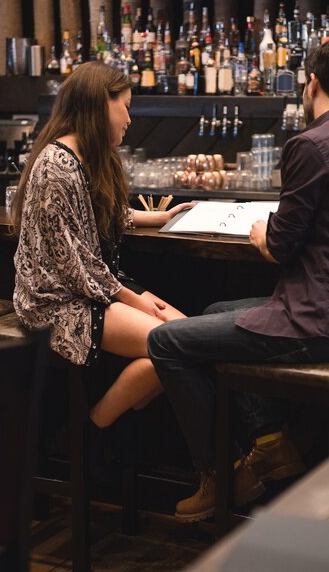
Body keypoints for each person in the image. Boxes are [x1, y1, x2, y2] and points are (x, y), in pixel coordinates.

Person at [148, 37, 329, 522]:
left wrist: (262, 229)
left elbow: (280, 246)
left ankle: (219, 474)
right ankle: (270, 444)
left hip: (312, 323)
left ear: (312, 83)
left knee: (165, 342)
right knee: (216, 315)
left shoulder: (310, 143)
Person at [12, 62, 193, 478]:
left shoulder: (86, 157)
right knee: (175, 344)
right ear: (99, 105)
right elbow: (77, 267)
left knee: (187, 339)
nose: (130, 119)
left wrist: (159, 218)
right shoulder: (55, 166)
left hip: (91, 292)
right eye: (124, 108)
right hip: (55, 303)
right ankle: (88, 433)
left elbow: (101, 217)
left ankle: (98, 426)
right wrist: (137, 300)